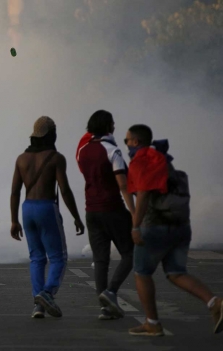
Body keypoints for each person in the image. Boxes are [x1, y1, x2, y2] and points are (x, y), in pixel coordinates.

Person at [125, 124, 223, 336]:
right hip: (181, 227)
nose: (126, 145)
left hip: (155, 227)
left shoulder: (141, 161)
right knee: (176, 273)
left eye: (127, 141)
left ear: (135, 141)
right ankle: (215, 303)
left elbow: (142, 195)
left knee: (141, 273)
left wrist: (135, 226)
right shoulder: (163, 160)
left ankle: (152, 323)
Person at [10, 116, 85, 319]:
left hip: (27, 209)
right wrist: (77, 217)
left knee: (36, 258)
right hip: (46, 207)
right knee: (58, 257)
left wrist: (14, 220)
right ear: (51, 135)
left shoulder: (21, 159)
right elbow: (65, 190)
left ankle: (38, 305)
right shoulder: (55, 157)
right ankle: (47, 293)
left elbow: (15, 192)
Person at [76, 110, 135, 320]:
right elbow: (123, 185)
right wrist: (134, 213)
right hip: (113, 209)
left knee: (100, 260)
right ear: (109, 126)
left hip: (91, 210)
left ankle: (106, 307)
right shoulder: (112, 150)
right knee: (131, 253)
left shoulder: (83, 150)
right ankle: (111, 292)